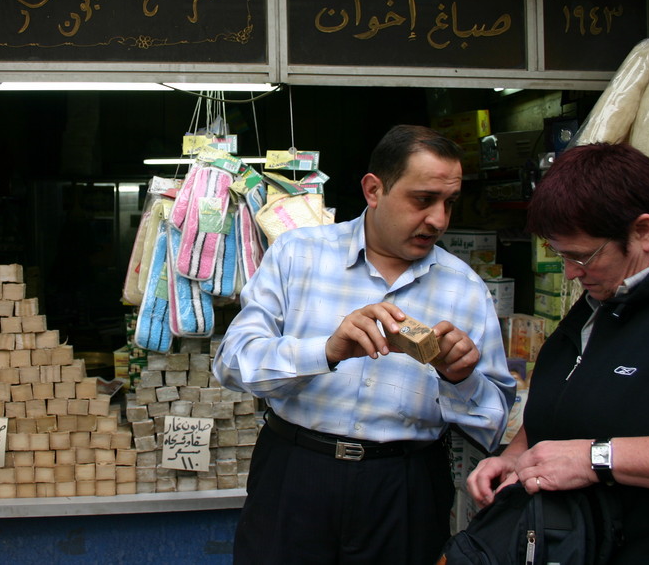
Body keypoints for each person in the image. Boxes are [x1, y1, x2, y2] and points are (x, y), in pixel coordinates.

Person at [213, 124, 516, 564]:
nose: (439, 220)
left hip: (405, 486)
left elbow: (493, 421)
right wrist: (327, 351)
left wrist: (462, 378)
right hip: (295, 473)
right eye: (423, 199)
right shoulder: (297, 254)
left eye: (449, 203)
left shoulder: (465, 288)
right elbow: (231, 364)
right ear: (374, 190)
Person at [466, 142, 649, 563]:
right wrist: (517, 458)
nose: (570, 272)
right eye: (561, 255)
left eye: (582, 256)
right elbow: (563, 402)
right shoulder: (600, 298)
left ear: (644, 231)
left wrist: (597, 457)